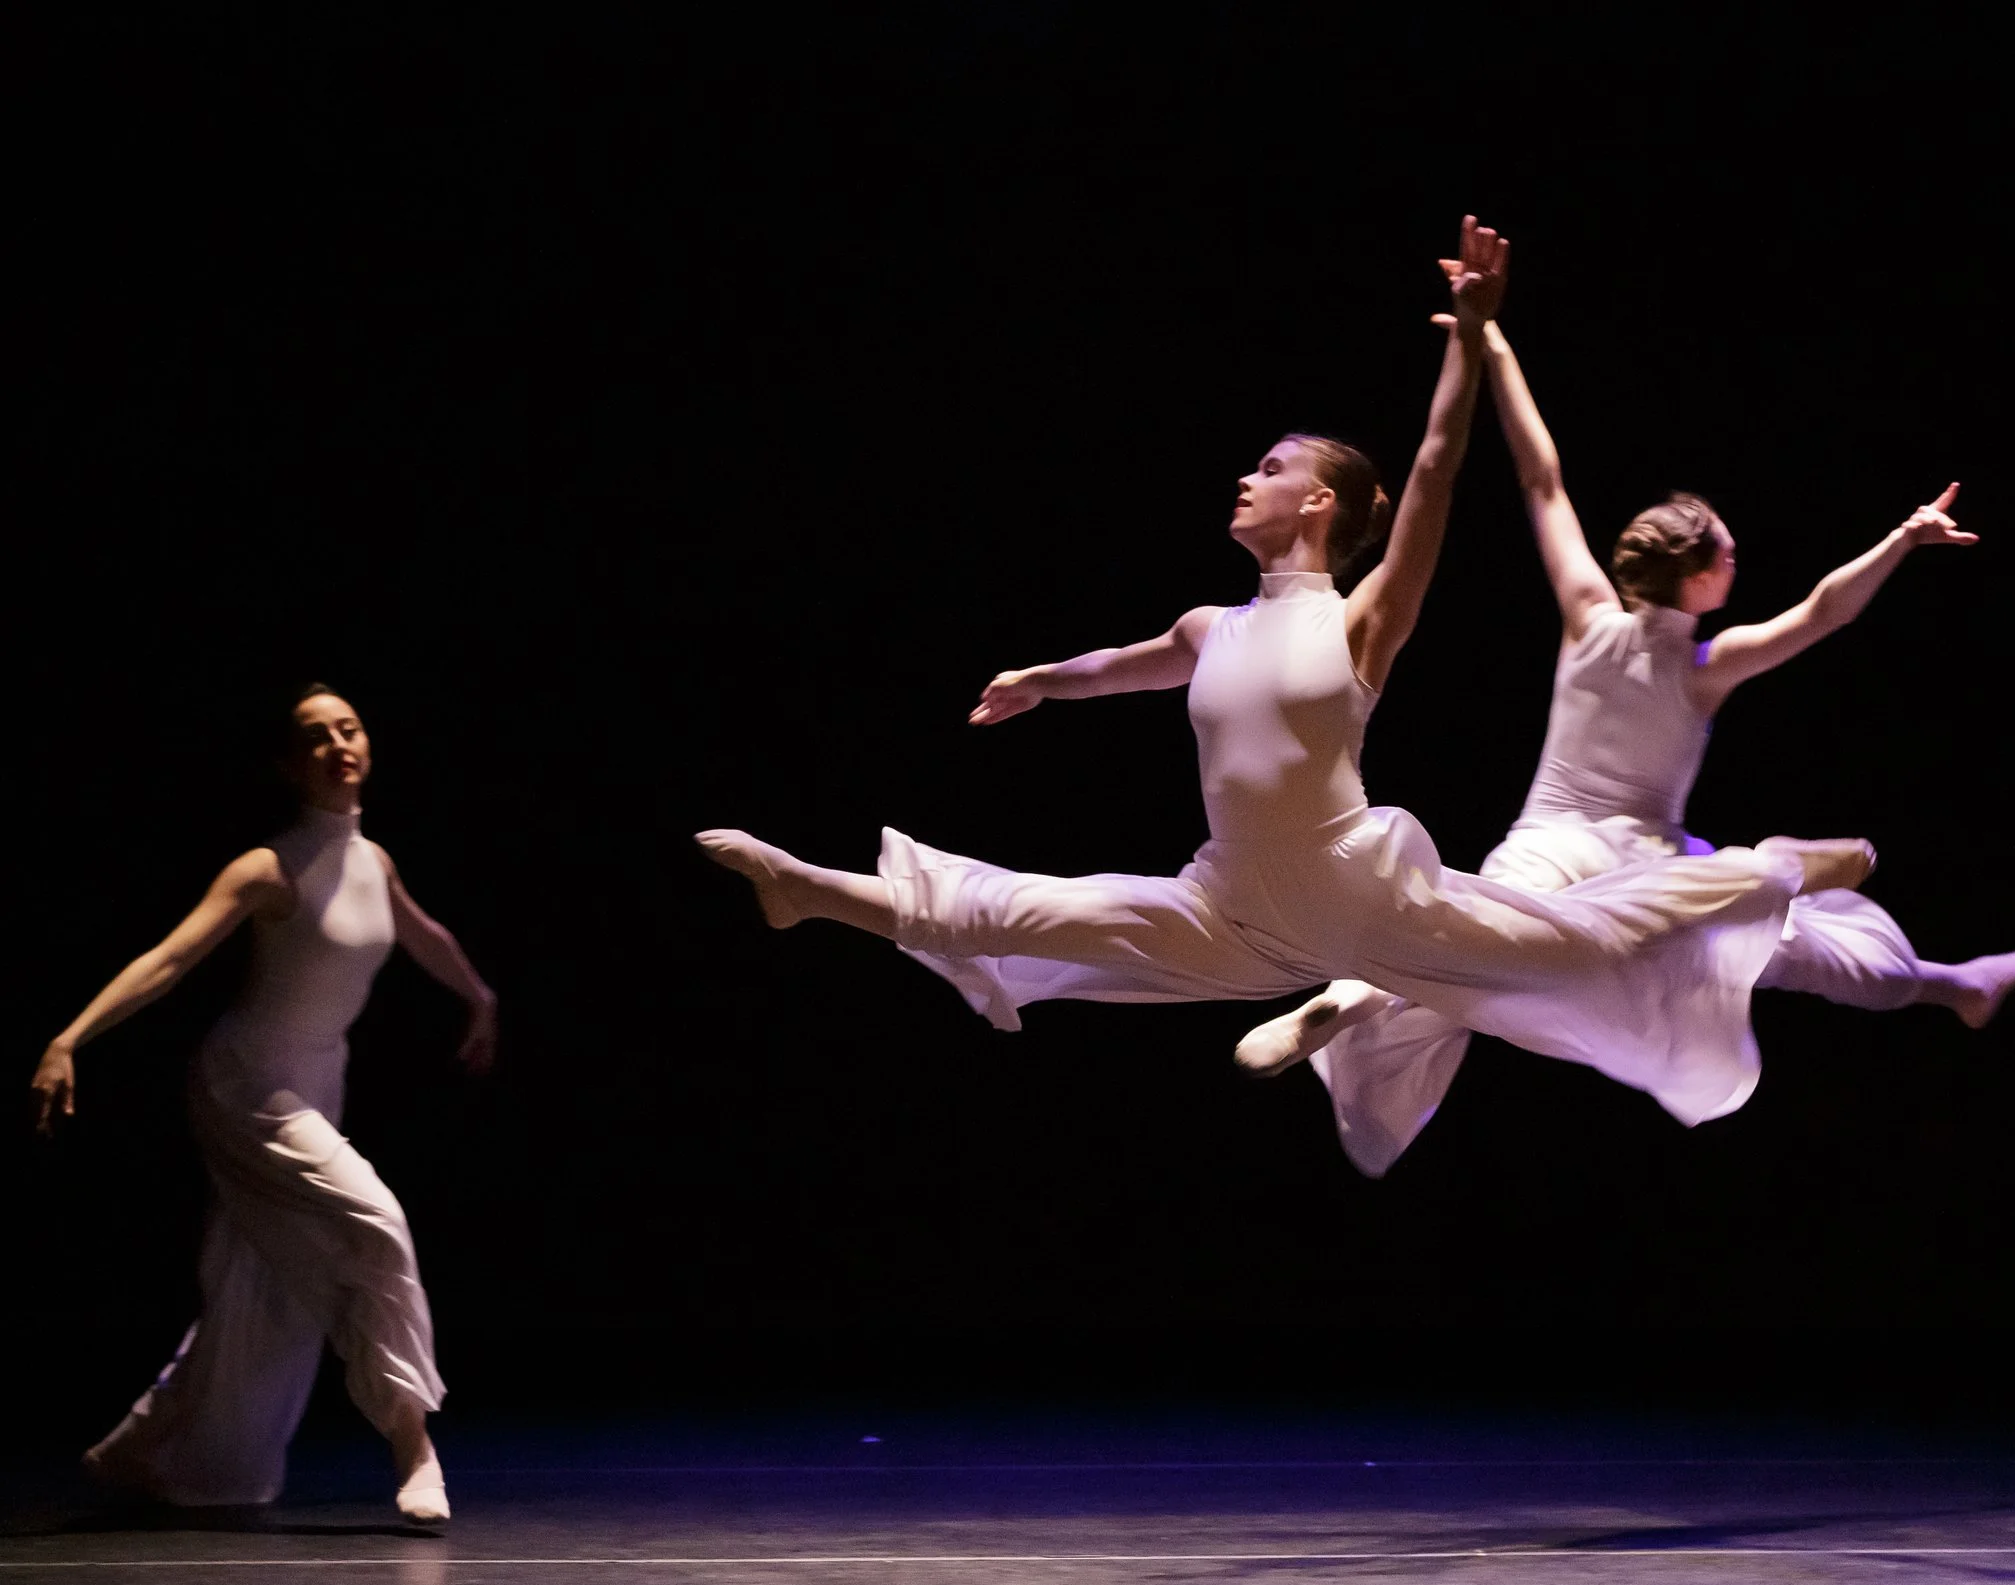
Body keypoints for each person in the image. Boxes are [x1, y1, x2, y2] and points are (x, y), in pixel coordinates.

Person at [698, 219, 1874, 1099]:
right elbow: (1123, 663)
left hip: (1366, 893)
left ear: (1317, 502)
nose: (1243, 478)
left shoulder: (1358, 619)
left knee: (1603, 946)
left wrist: (1471, 341)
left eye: (1267, 468)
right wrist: (1042, 681)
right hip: (1235, 906)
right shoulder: (1209, 628)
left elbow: (1433, 472)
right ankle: (807, 891)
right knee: (1024, 912)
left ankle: (1774, 868)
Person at [1231, 315, 2015, 1176]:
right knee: (1796, 946)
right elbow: (1825, 610)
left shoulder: (1590, 616)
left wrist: (1495, 346)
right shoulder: (1707, 664)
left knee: (1458, 942)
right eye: (1729, 553)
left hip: (1545, 844)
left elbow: (1541, 478)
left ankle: (1345, 1000)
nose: (1736, 561)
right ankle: (1901, 951)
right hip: (1652, 862)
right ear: (1701, 576)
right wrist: (1903, 539)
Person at [29, 685, 497, 1523]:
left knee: (266, 1285)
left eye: (348, 728)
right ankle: (411, 1441)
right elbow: (169, 959)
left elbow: (426, 936)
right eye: (315, 737)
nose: (337, 744)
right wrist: (70, 1037)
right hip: (246, 1086)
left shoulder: (374, 861)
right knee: (376, 1220)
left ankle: (143, 1444)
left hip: (318, 1084)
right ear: (288, 764)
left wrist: (479, 997)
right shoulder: (267, 867)